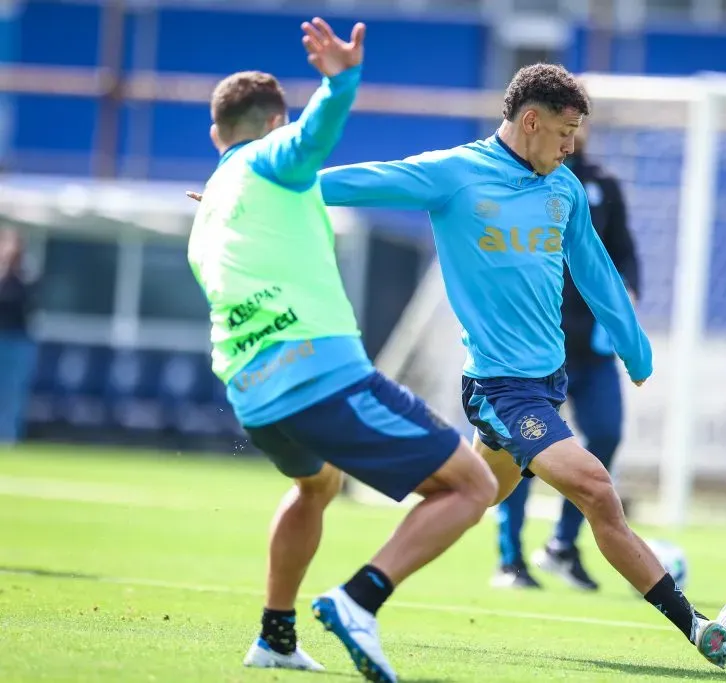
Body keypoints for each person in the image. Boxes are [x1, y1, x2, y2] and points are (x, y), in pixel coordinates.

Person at [314, 63, 726, 669]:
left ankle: (360, 566)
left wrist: (633, 347)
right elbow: (358, 181)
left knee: (470, 495)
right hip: (501, 388)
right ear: (530, 121)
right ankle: (700, 631)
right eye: (565, 133)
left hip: (548, 385)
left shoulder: (562, 189)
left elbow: (595, 269)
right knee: (596, 490)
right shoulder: (455, 174)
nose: (572, 146)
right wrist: (253, 192)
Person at [186, 19, 497, 683]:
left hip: (251, 393)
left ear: (216, 134)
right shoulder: (270, 159)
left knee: (317, 483)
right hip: (316, 373)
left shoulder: (216, 197)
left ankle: (275, 634)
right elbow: (311, 141)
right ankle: (360, 599)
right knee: (474, 485)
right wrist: (341, 81)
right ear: (275, 122)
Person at [491, 114, 640, 592]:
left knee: (607, 435)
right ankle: (511, 560)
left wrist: (629, 297)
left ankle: (563, 544)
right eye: (564, 123)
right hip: (536, 352)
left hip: (591, 351)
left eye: (579, 123)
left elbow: (624, 254)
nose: (573, 133)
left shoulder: (602, 186)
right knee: (524, 454)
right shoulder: (520, 183)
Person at [0, 228, 37, 445]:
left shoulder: (27, 274)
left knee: (13, 391)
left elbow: (24, 301)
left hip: (17, 340)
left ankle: (8, 436)